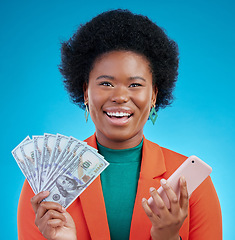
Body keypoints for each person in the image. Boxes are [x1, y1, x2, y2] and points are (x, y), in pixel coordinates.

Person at [18, 9, 222, 240]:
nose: (120, 97)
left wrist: (168, 237)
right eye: (106, 83)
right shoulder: (44, 185)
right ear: (86, 91)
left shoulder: (192, 184)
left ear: (154, 94)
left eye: (135, 85)